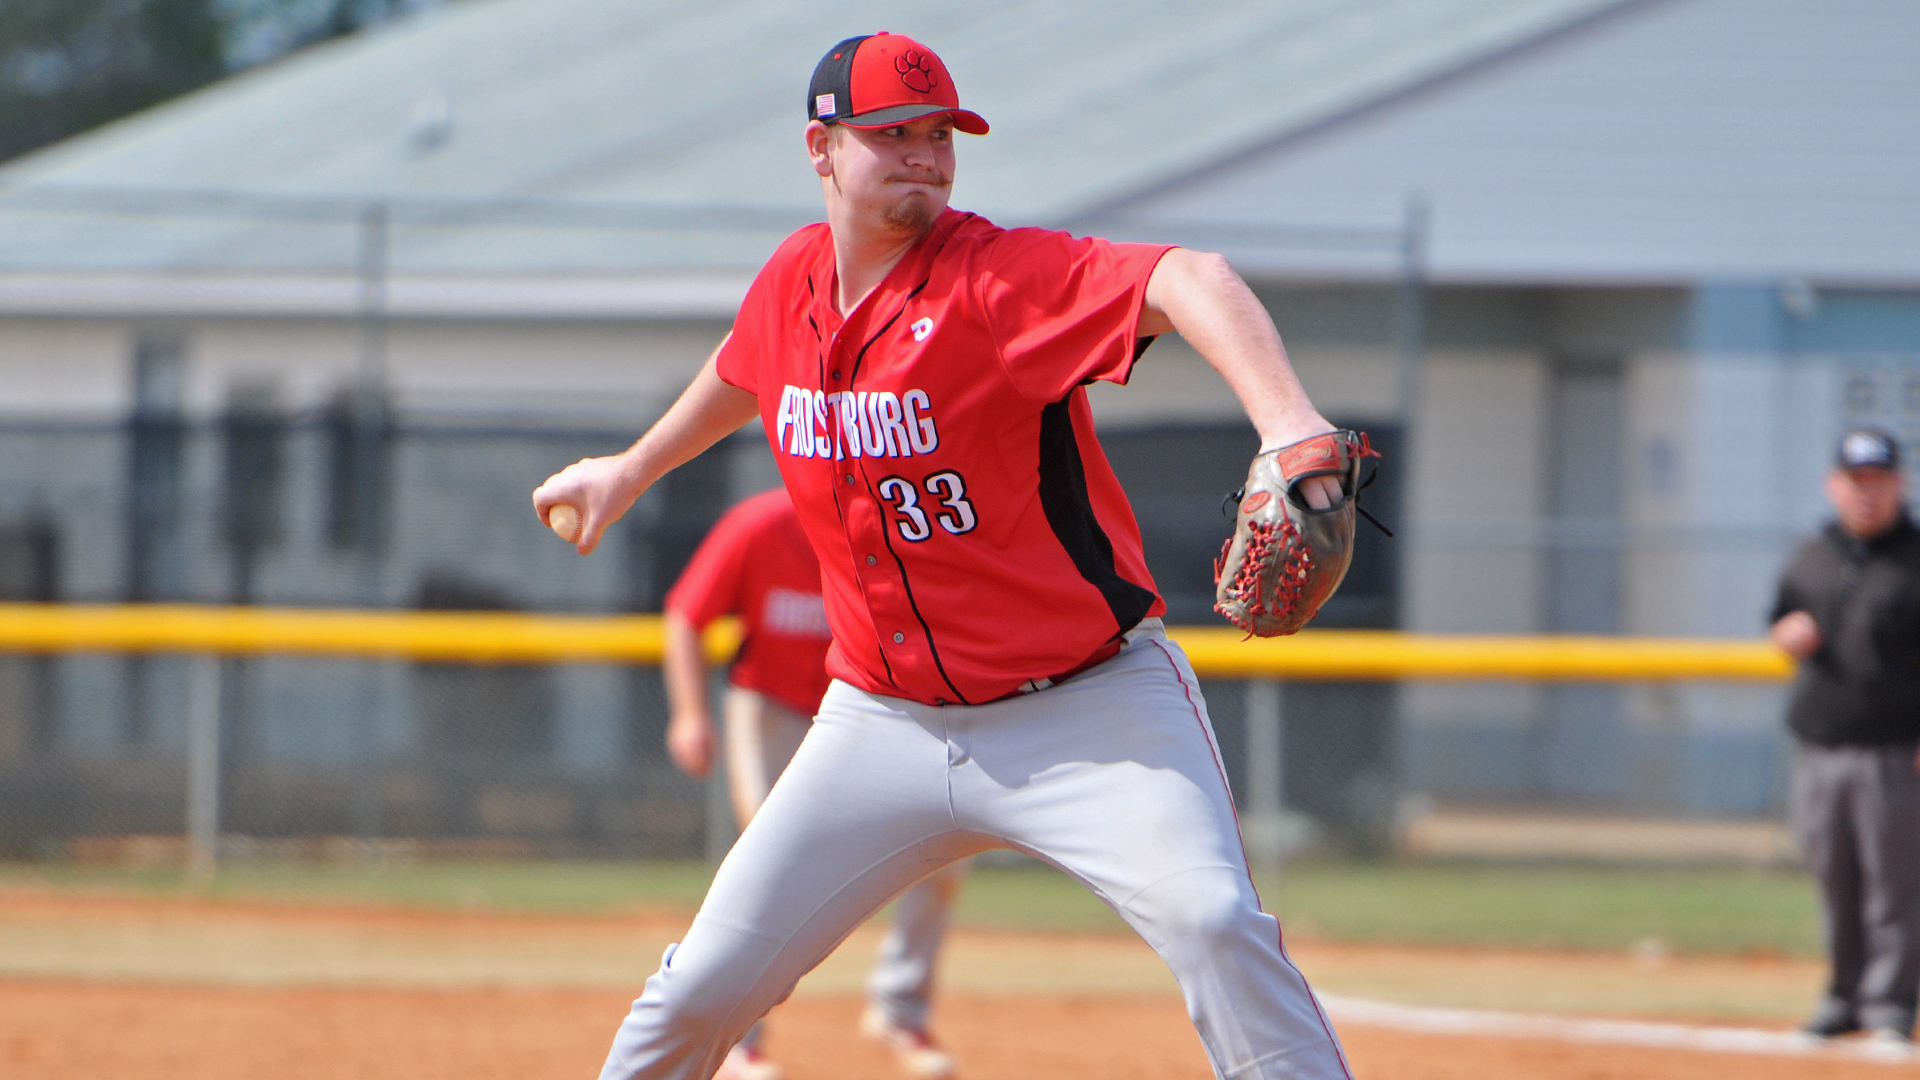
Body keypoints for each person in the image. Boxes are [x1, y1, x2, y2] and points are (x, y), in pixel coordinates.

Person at [535, 32, 1354, 1080]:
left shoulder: (997, 282)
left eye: (938, 134)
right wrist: (632, 469)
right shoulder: (792, 279)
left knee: (1211, 920)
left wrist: (1290, 423)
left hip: (1087, 711)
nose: (923, 154)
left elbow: (1189, 277)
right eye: (891, 135)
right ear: (821, 150)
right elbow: (747, 370)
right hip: (879, 721)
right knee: (695, 994)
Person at [661, 487, 967, 1080]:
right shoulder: (758, 525)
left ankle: (900, 1012)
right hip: (769, 706)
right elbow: (686, 615)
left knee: (950, 849)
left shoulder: (895, 516)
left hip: (873, 706)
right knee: (768, 859)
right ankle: (738, 1040)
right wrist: (689, 713)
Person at [1770, 427, 1920, 1042]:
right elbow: (1779, 618)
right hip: (1820, 744)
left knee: (1894, 885)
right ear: (1836, 485)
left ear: (1899, 485)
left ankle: (1889, 1006)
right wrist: (1787, 633)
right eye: (1855, 482)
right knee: (1835, 879)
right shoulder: (1814, 553)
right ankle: (1841, 998)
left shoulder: (1914, 559)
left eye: (1878, 481)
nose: (1866, 494)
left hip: (1894, 749)